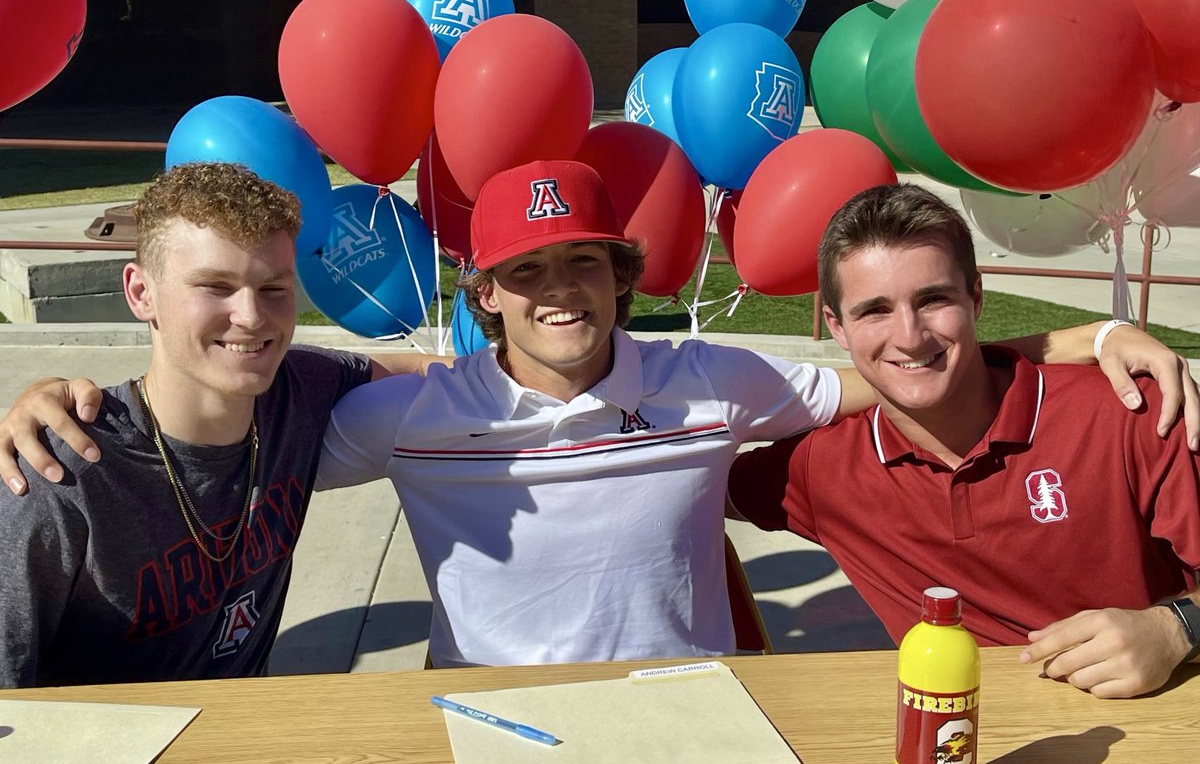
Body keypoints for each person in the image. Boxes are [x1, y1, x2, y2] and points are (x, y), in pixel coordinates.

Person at [3, 162, 1193, 672]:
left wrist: (1085, 338)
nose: (558, 290)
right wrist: (62, 396)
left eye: (584, 261)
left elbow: (901, 362)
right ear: (486, 294)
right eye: (526, 271)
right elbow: (235, 387)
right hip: (485, 725)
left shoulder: (718, 380)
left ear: (624, 275)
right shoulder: (405, 413)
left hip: (699, 719)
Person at [728, 183, 1200, 700]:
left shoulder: (1130, 411)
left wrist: (1176, 628)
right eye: (875, 310)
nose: (909, 336)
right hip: (953, 732)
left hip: (1151, 725)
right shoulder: (819, 466)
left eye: (933, 300)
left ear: (975, 297)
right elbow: (686, 485)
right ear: (837, 327)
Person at [0, 163, 436, 688]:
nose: (251, 316)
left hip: (251, 721)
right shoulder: (57, 473)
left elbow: (429, 370)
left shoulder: (298, 387)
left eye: (273, 288)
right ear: (141, 293)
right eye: (215, 286)